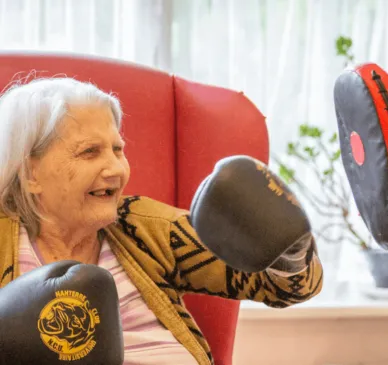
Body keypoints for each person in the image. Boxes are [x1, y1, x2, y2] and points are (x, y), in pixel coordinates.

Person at [0, 77, 323, 365]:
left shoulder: (144, 227)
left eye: (118, 149)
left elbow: (290, 289)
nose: (116, 169)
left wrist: (290, 247)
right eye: (89, 152)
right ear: (30, 174)